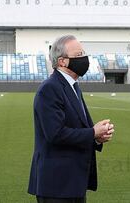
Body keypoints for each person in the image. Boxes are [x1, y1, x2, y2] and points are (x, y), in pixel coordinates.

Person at [28, 35, 114, 203]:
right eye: (79, 54)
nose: (84, 59)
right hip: (56, 185)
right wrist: (93, 132)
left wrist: (97, 136)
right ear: (62, 62)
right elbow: (55, 134)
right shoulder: (49, 89)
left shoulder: (73, 86)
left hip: (73, 183)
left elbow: (81, 127)